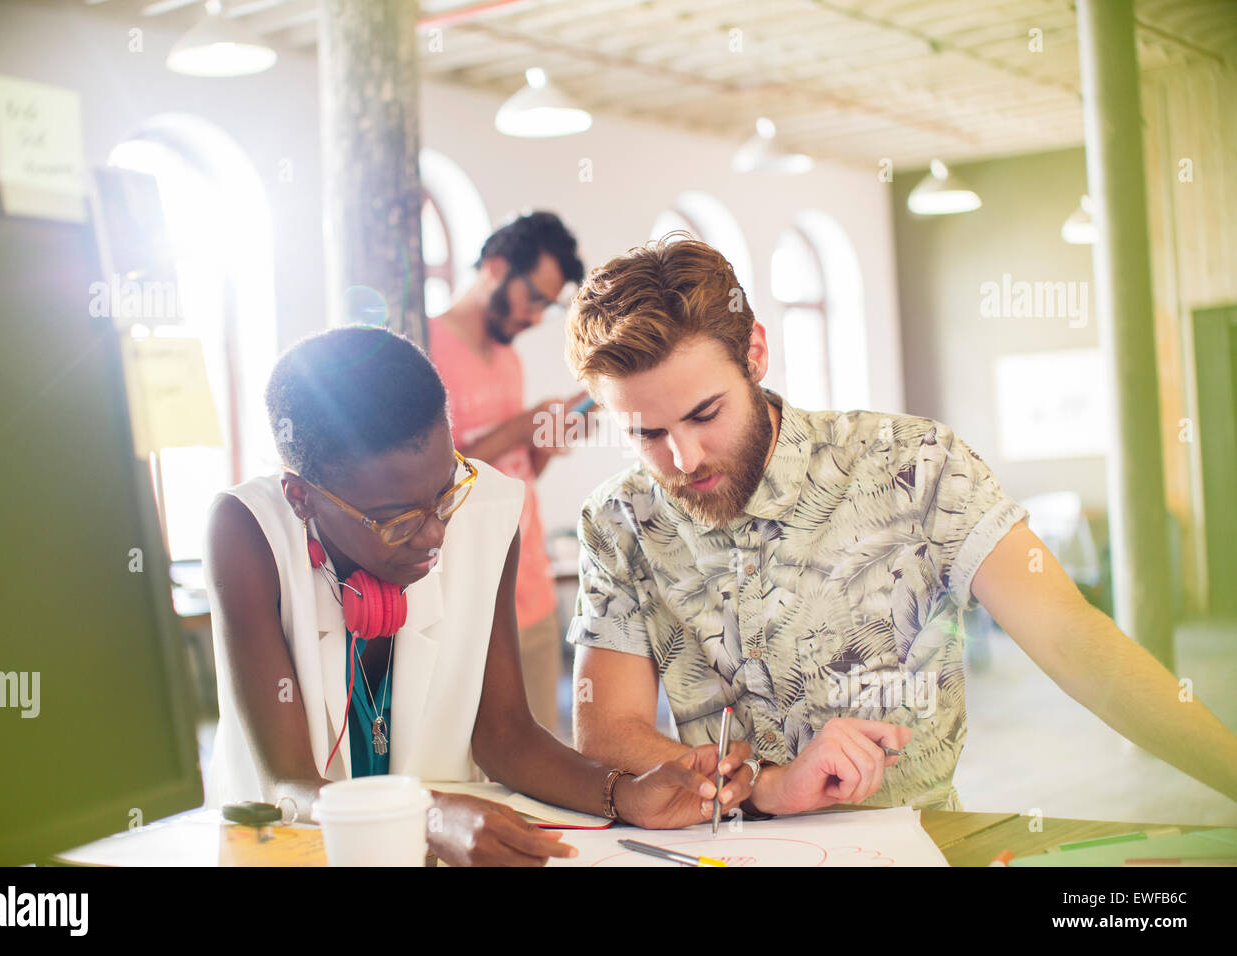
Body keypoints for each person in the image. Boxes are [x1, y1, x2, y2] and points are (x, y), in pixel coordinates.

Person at [563, 234, 1237, 816]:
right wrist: (766, 787)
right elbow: (608, 736)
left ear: (756, 355)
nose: (683, 459)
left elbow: (1072, 638)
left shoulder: (915, 465)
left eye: (706, 413)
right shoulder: (619, 520)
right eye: (645, 433)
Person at [203, 325, 752, 867]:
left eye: (445, 493)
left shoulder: (486, 511)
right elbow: (286, 782)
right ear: (301, 497)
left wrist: (627, 793)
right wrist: (426, 816)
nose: (435, 533)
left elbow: (504, 733)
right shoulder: (247, 533)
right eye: (397, 520)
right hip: (292, 854)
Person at [429, 210, 586, 734]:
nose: (537, 317)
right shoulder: (424, 348)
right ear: (496, 267)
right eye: (534, 298)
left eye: (548, 304)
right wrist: (521, 425)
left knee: (540, 755)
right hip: (462, 599)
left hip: (531, 587)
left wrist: (544, 443)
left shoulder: (507, 359)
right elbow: (431, 480)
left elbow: (514, 476)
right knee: (474, 766)